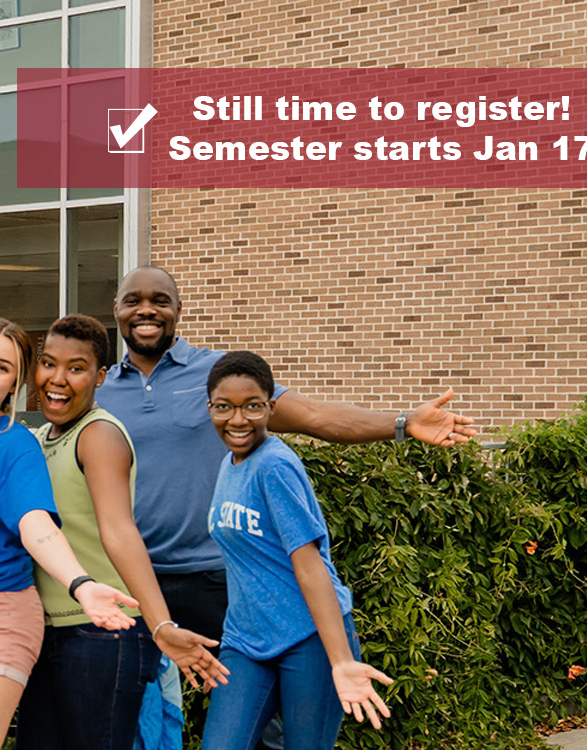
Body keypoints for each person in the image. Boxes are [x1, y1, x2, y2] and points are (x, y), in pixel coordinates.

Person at [96, 266, 474, 744]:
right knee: (127, 720)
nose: (146, 310)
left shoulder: (222, 378)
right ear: (116, 309)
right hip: (138, 585)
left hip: (221, 580)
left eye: (160, 300)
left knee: (275, 733)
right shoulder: (101, 390)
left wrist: (400, 423)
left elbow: (315, 416)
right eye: (133, 300)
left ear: (179, 310)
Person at [0, 317, 142, 750]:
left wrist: (81, 584)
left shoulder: (15, 444)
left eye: (2, 368)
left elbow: (35, 524)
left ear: (14, 386)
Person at [17, 314, 228, 750]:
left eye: (76, 368)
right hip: (50, 631)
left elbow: (119, 531)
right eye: (49, 363)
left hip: (100, 635)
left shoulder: (98, 435)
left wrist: (160, 623)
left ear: (101, 377)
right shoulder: (39, 438)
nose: (58, 379)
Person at [199, 352, 393, 749]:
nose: (238, 419)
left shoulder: (275, 466)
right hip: (246, 641)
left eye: (252, 406)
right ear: (210, 408)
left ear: (271, 408)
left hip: (308, 638)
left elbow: (309, 565)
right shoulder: (230, 464)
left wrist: (341, 660)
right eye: (224, 407)